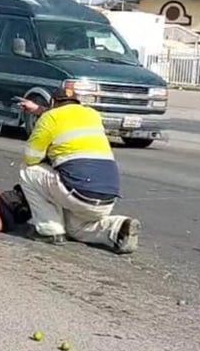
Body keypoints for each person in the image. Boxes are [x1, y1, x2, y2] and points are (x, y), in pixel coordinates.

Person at [17, 87, 140, 253]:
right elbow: (65, 116)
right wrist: (39, 110)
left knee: (27, 170)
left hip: (79, 194)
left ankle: (50, 231)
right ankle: (118, 227)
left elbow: (30, 157)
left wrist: (48, 151)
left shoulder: (50, 117)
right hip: (108, 197)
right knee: (76, 229)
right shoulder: (92, 114)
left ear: (53, 103)